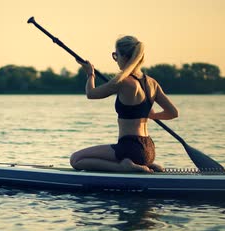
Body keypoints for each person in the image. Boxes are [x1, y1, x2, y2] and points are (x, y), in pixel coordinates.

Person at [70, 35, 179, 173]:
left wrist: (90, 74)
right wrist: (152, 115)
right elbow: (173, 113)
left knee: (76, 159)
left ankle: (123, 167)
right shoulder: (152, 83)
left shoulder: (123, 82)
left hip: (130, 148)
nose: (116, 60)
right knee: (90, 157)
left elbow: (91, 94)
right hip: (149, 149)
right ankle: (148, 165)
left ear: (125, 57)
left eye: (116, 55)